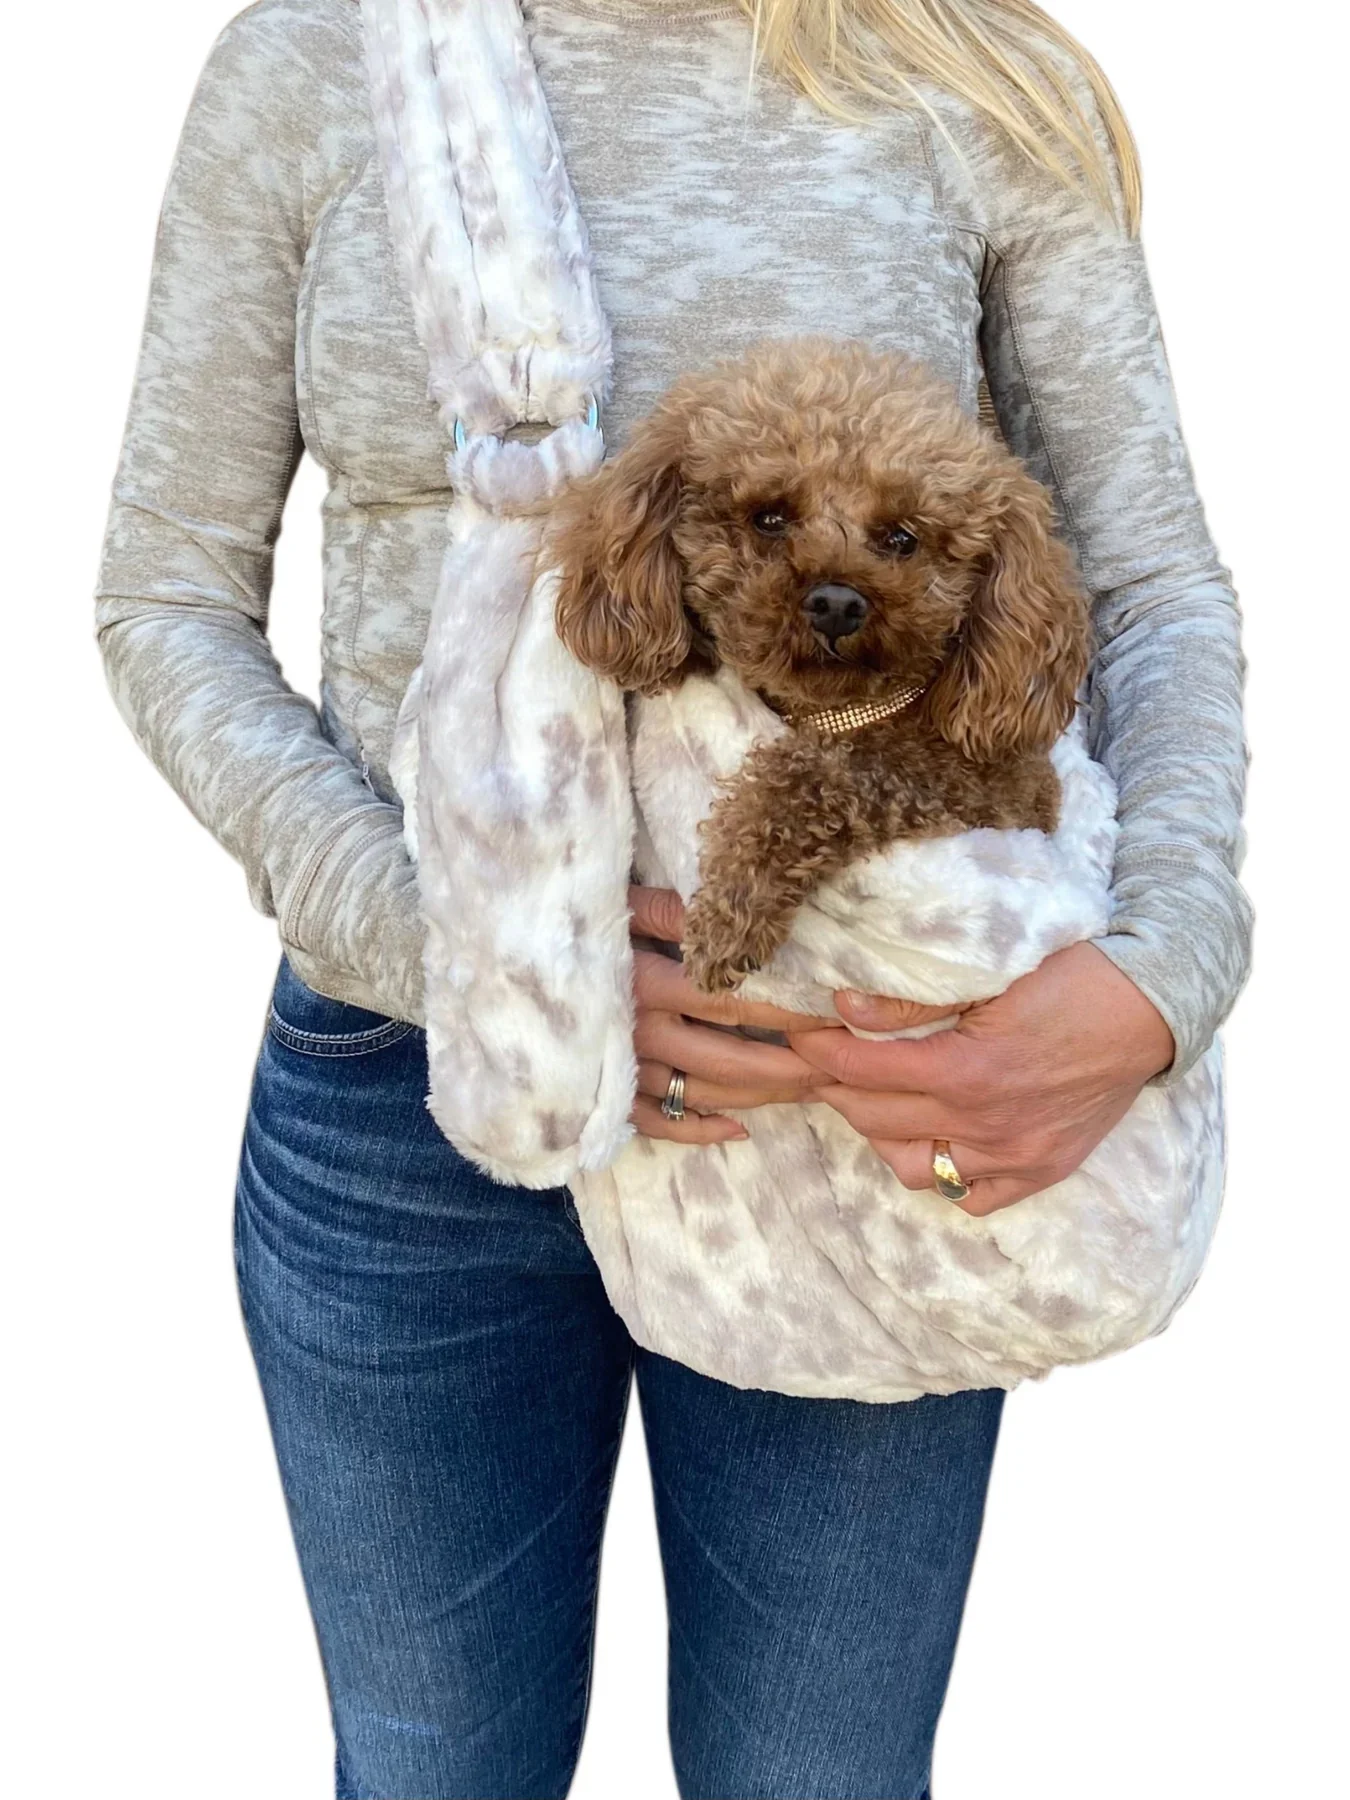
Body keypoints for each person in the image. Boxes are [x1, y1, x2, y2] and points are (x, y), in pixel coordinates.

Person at [94, 1, 1250, 1795]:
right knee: (427, 1772)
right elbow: (165, 602)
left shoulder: (964, 75)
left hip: (846, 1102)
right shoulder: (321, 61)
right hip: (415, 1116)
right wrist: (484, 969)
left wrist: (1160, 977)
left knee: (818, 1775)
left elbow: (1150, 581)